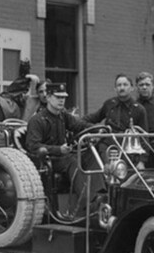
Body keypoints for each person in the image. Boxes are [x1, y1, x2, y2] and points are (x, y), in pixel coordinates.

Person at [25, 82, 101, 215]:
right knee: (70, 160)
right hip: (46, 159)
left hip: (62, 156)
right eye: (57, 97)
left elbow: (79, 125)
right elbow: (33, 146)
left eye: (63, 97)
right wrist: (58, 150)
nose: (61, 100)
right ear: (48, 97)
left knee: (91, 154)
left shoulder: (63, 116)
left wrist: (95, 129)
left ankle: (100, 194)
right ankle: (88, 202)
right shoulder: (37, 120)